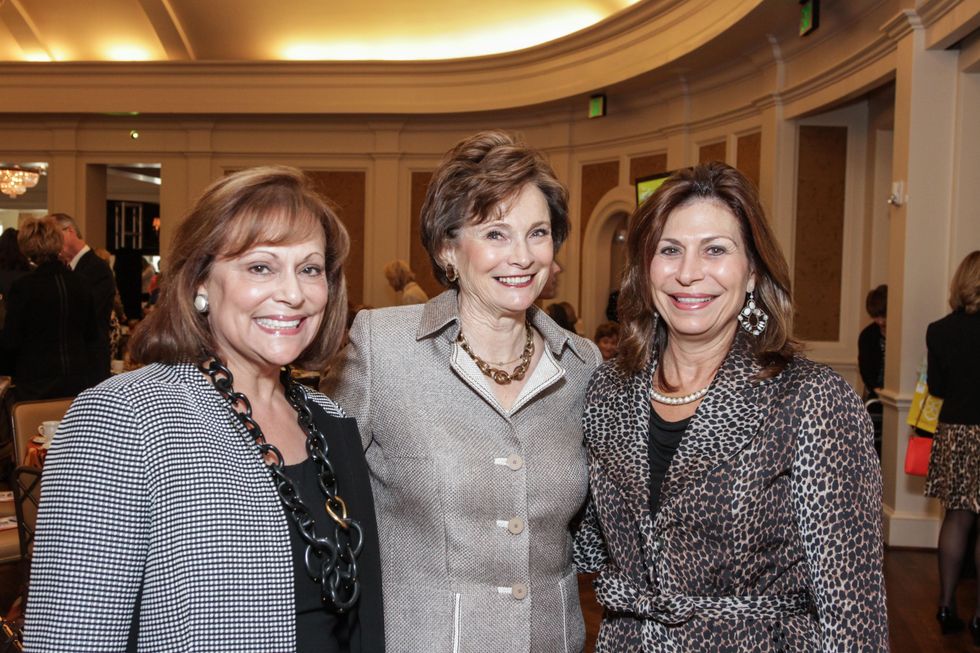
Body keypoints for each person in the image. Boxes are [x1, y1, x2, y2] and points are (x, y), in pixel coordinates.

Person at [25, 167, 384, 652]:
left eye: (310, 269)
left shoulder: (331, 420)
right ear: (199, 282)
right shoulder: (123, 418)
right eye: (261, 266)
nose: (294, 293)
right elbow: (71, 639)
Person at [575, 162, 888, 650]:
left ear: (752, 271)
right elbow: (587, 544)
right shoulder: (607, 391)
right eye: (669, 250)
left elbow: (853, 608)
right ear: (645, 268)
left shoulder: (810, 400)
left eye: (715, 250)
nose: (688, 273)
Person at [324, 130, 601, 652]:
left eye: (538, 233)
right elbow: (325, 497)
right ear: (448, 247)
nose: (521, 256)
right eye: (496, 234)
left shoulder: (584, 364)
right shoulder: (383, 347)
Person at [924, 250, 980, 643]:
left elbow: (938, 389)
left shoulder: (939, 330)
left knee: (956, 519)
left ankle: (946, 605)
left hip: (956, 431)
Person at [0, 216, 99, 401]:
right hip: (77, 379)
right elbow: (92, 334)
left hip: (36, 381)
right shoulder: (81, 282)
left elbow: (12, 339)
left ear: (26, 247)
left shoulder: (24, 287)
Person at [52, 212, 117, 383]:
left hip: (89, 364)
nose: (53, 243)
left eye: (55, 236)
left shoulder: (97, 268)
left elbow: (89, 316)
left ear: (70, 231)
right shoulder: (67, 269)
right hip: (73, 364)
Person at [858, 284, 887, 401]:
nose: (880, 321)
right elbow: (865, 370)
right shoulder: (867, 336)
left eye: (884, 316)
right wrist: (876, 389)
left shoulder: (901, 335)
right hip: (875, 396)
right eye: (875, 317)